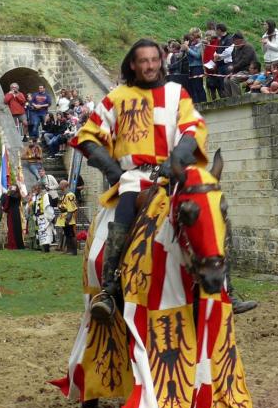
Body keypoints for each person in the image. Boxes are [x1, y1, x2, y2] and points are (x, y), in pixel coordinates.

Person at [74, 38, 207, 322]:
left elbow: (192, 128)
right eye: (144, 61)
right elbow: (88, 135)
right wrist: (114, 171)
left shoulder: (177, 93)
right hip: (135, 177)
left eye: (154, 60)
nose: (150, 66)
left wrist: (176, 159)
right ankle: (109, 288)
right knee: (124, 215)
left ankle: (221, 283)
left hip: (174, 174)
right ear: (133, 65)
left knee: (209, 209)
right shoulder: (117, 97)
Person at [55, 180, 78, 255]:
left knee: (71, 234)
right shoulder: (64, 195)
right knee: (67, 234)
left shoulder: (70, 195)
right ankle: (68, 250)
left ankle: (74, 251)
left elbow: (71, 208)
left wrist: (68, 218)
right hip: (63, 215)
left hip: (68, 216)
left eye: (60, 184)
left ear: (64, 185)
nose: (59, 186)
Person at [2, 184, 24, 250]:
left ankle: (16, 244)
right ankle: (12, 244)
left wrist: (10, 192)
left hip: (15, 213)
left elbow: (14, 197)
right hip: (11, 212)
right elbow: (5, 202)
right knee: (11, 228)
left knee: (15, 228)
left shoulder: (17, 195)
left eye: (14, 188)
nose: (12, 189)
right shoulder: (10, 195)